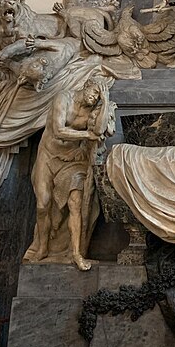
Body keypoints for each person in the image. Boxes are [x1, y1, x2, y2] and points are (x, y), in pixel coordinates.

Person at [25, 78, 111, 271]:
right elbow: (58, 130)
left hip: (73, 160)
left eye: (98, 96)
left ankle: (76, 253)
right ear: (87, 85)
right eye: (95, 92)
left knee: (76, 204)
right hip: (48, 156)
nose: (94, 97)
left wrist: (105, 101)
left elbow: (99, 130)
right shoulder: (63, 98)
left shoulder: (93, 109)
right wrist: (85, 135)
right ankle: (43, 247)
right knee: (42, 205)